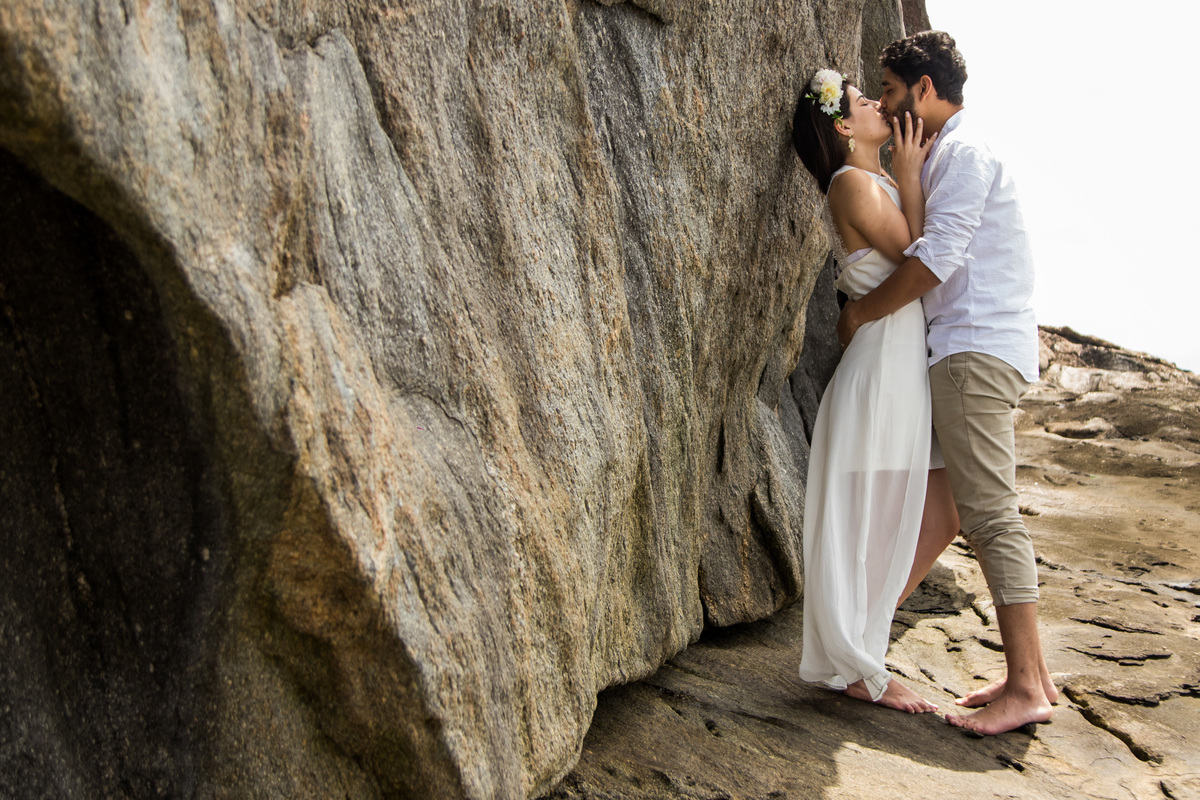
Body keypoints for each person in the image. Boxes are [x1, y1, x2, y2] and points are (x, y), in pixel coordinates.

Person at [838, 30, 1057, 734]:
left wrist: (860, 314)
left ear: (925, 91)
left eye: (895, 91)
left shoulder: (961, 153)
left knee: (989, 511)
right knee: (953, 509)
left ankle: (1026, 687)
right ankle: (867, 638)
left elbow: (934, 259)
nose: (890, 103)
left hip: (972, 353)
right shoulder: (942, 157)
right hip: (966, 351)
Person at [790, 69, 959, 713]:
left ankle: (861, 652)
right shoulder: (851, 182)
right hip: (880, 367)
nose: (875, 104)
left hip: (894, 361)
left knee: (889, 509)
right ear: (842, 126)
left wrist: (904, 174)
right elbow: (918, 252)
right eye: (863, 101)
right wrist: (912, 175)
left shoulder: (870, 180)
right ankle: (858, 663)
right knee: (873, 510)